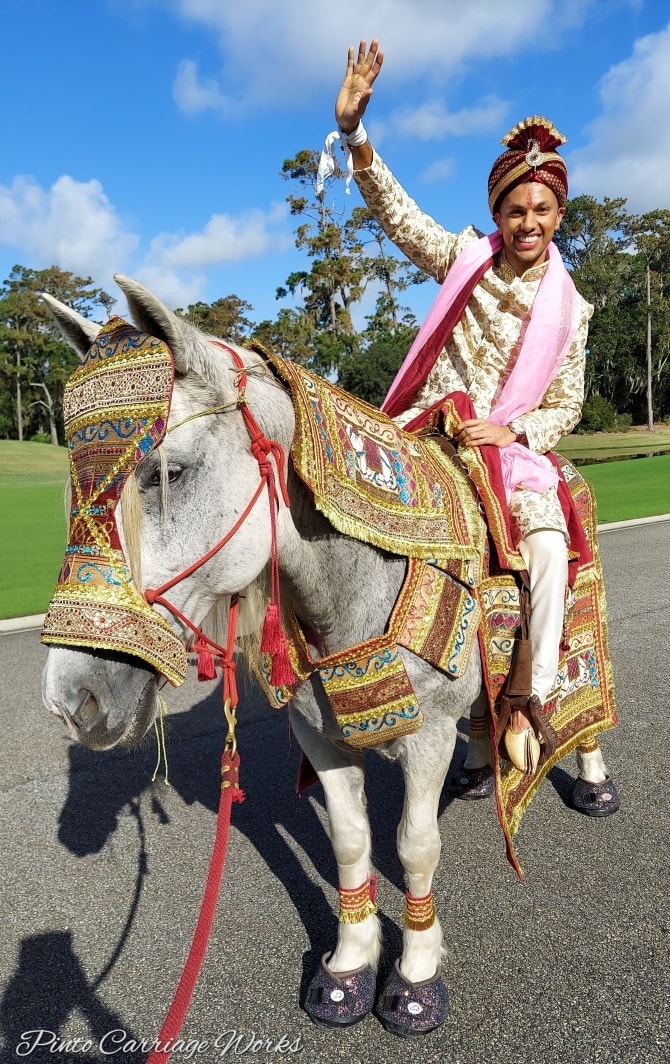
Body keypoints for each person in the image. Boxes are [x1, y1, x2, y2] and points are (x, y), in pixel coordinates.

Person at [328, 39, 619, 812]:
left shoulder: (572, 308)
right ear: (497, 215)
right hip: (433, 438)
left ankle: (531, 700)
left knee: (547, 545)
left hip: (511, 454)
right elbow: (399, 218)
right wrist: (356, 134)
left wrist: (514, 436)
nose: (529, 222)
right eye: (516, 210)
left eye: (542, 210)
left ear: (559, 216)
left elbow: (566, 404)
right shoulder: (464, 259)